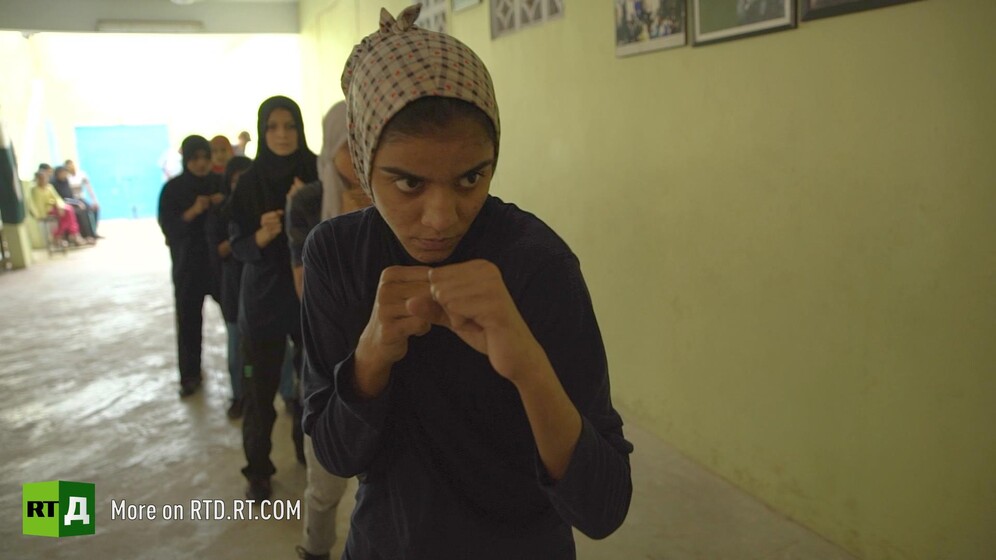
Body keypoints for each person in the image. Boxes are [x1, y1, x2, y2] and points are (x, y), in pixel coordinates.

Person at [300, 6, 633, 559]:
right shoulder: (336, 255)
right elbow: (336, 456)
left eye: (471, 178)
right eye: (407, 183)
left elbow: (602, 507)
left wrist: (529, 367)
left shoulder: (538, 264)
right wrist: (371, 355)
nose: (441, 217)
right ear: (361, 159)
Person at [286, 101, 370, 560]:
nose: (360, 154)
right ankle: (315, 550)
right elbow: (307, 296)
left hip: (394, 361)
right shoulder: (307, 202)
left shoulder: (395, 194)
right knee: (325, 488)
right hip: (330, 365)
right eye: (349, 143)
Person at [228, 95, 317, 500]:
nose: (282, 135)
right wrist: (261, 235)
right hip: (263, 301)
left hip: (309, 297)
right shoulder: (248, 182)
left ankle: (308, 451)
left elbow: (340, 228)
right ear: (263, 132)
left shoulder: (318, 174)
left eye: (290, 126)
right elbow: (234, 244)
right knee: (259, 391)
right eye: (273, 127)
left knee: (312, 383)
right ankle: (258, 469)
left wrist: (305, 208)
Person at [157, 135, 222, 397]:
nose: (201, 164)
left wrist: (221, 202)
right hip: (188, 267)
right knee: (188, 324)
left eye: (205, 158)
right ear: (187, 160)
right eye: (195, 158)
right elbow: (169, 229)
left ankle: (245, 374)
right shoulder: (173, 189)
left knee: (236, 321)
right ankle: (190, 376)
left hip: (219, 265)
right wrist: (193, 211)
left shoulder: (219, 183)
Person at [207, 155, 253, 418]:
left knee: (277, 351)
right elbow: (217, 249)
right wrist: (245, 242)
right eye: (236, 180)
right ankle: (239, 395)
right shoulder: (221, 211)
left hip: (262, 291)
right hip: (234, 290)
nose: (241, 185)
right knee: (238, 352)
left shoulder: (263, 206)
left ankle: (287, 394)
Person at [29, 170, 86, 246]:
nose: (44, 180)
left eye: (45, 178)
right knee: (69, 211)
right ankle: (72, 234)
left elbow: (57, 198)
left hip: (57, 207)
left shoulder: (50, 187)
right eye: (41, 178)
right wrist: (37, 215)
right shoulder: (35, 190)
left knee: (69, 212)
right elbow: (36, 204)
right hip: (45, 210)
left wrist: (60, 206)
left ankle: (61, 235)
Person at [52, 165, 96, 242]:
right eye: (63, 173)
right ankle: (79, 236)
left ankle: (90, 235)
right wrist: (77, 202)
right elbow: (63, 198)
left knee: (85, 209)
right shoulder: (54, 183)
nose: (65, 175)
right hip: (63, 205)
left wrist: (77, 202)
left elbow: (70, 195)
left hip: (71, 202)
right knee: (79, 212)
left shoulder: (65, 181)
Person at [64, 159, 100, 237]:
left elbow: (89, 188)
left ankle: (94, 232)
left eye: (72, 165)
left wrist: (94, 200)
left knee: (95, 209)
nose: (71, 167)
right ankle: (86, 234)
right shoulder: (66, 178)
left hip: (81, 198)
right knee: (82, 210)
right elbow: (66, 196)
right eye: (68, 166)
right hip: (72, 200)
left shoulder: (81, 174)